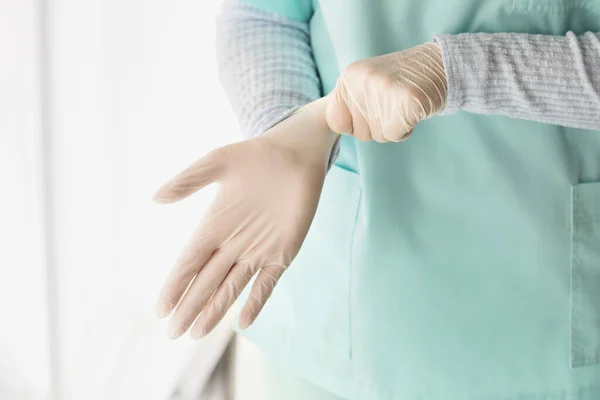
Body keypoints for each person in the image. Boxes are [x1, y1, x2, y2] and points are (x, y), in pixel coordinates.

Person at [153, 0, 600, 398]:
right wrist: (282, 126)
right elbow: (263, 15)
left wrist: (458, 71)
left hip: (549, 316)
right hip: (343, 318)